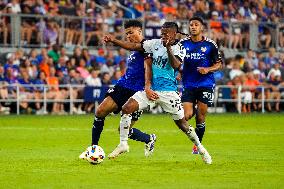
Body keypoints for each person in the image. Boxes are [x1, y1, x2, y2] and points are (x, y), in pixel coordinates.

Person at [105, 22, 212, 164]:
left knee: (183, 125)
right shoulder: (153, 44)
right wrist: (114, 41)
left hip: (169, 93)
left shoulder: (180, 48)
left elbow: (176, 65)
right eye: (162, 33)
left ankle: (201, 148)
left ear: (174, 34)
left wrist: (168, 48)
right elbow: (133, 46)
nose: (163, 36)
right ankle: (123, 144)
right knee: (126, 108)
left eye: (166, 33)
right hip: (151, 91)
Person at [79, 20, 156, 160]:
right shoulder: (133, 50)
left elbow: (133, 48)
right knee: (100, 111)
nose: (128, 36)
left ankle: (149, 138)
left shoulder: (148, 46)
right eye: (126, 34)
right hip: (123, 86)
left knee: (123, 130)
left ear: (140, 31)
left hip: (138, 92)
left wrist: (114, 40)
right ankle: (93, 148)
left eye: (131, 33)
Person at [178, 17, 222, 154]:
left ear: (201, 27)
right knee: (186, 115)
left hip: (205, 83)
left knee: (200, 117)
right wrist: (178, 71)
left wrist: (208, 69)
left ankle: (197, 145)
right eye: (191, 24)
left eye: (196, 25)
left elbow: (219, 64)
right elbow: (176, 61)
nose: (193, 27)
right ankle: (194, 137)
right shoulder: (182, 44)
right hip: (188, 84)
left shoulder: (210, 45)